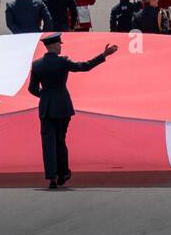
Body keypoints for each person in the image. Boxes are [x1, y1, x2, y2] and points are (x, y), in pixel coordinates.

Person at [27, 33, 117, 189]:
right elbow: (85, 66)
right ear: (54, 46)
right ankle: (63, 173)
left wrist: (45, 95)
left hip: (46, 109)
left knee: (48, 143)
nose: (61, 46)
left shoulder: (37, 65)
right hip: (62, 107)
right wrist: (103, 55)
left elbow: (32, 89)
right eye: (59, 44)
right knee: (60, 140)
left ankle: (52, 178)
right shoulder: (63, 62)